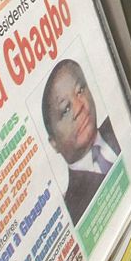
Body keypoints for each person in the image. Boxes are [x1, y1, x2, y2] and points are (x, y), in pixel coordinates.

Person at [40, 59, 121, 224]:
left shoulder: (121, 120)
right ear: (53, 143)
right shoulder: (73, 210)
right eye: (66, 109)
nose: (79, 107)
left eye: (80, 91)